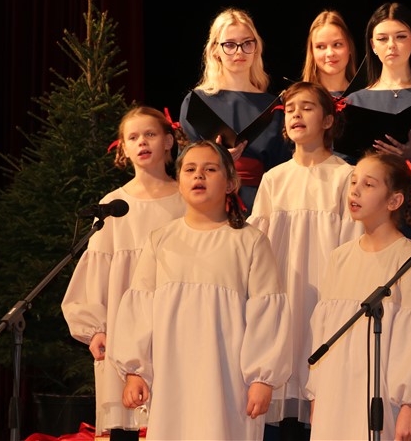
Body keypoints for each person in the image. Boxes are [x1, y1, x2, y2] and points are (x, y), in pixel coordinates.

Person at [109, 140, 292, 440]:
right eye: (190, 170)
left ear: (230, 183)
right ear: (179, 182)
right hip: (172, 378)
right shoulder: (161, 240)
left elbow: (266, 313)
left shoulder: (250, 242)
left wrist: (262, 377)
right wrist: (135, 370)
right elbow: (139, 310)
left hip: (229, 383)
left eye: (210, 169)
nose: (199, 176)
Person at [342, 1, 411, 440]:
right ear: (371, 45)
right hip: (375, 215)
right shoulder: (356, 100)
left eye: (400, 37)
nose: (391, 45)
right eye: (382, 38)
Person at [61, 106, 187, 440]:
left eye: (150, 134)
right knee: (125, 425)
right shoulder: (113, 205)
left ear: (168, 141)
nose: (142, 142)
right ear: (124, 149)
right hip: (124, 328)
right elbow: (96, 274)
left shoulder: (186, 200)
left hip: (175, 323)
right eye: (133, 137)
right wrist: (95, 329)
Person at [247, 82, 363, 440]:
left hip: (325, 298)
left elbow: (354, 244)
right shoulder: (274, 179)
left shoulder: (345, 176)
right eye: (290, 109)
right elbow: (257, 246)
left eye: (307, 107)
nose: (296, 114)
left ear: (328, 120)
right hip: (284, 297)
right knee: (287, 389)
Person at [305, 152, 411, 441]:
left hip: (383, 399)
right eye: (354, 182)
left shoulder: (408, 259)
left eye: (368, 184)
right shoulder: (340, 257)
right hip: (335, 394)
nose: (355, 191)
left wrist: (410, 405)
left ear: (394, 201)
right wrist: (316, 394)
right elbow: (324, 332)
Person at [179, 7, 290, 215]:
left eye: (247, 43)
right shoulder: (197, 102)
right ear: (215, 50)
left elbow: (283, 165)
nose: (239, 51)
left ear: (256, 48)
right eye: (229, 45)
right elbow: (184, 162)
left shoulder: (274, 105)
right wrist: (216, 158)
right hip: (210, 202)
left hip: (264, 204)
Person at [300, 9, 358, 97]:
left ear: (349, 47)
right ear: (312, 52)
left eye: (337, 44)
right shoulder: (296, 99)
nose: (330, 53)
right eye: (321, 46)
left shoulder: (365, 98)